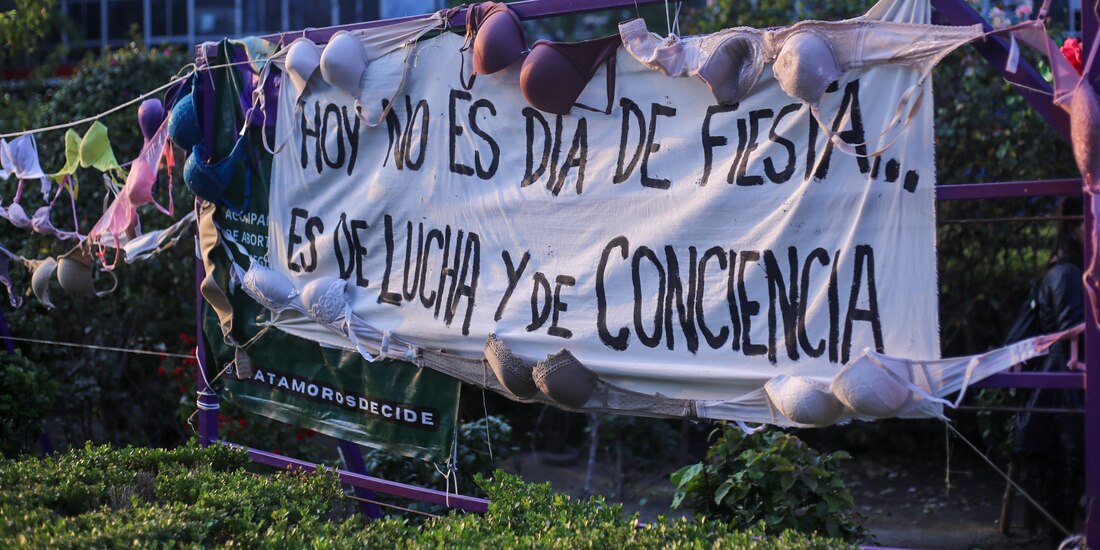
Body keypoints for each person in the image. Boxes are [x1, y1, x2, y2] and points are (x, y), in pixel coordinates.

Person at [1004, 196, 1085, 543]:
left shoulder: (1068, 271)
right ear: (1075, 226)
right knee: (1071, 471)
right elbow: (1072, 339)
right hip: (1063, 395)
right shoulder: (1066, 275)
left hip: (1064, 393)